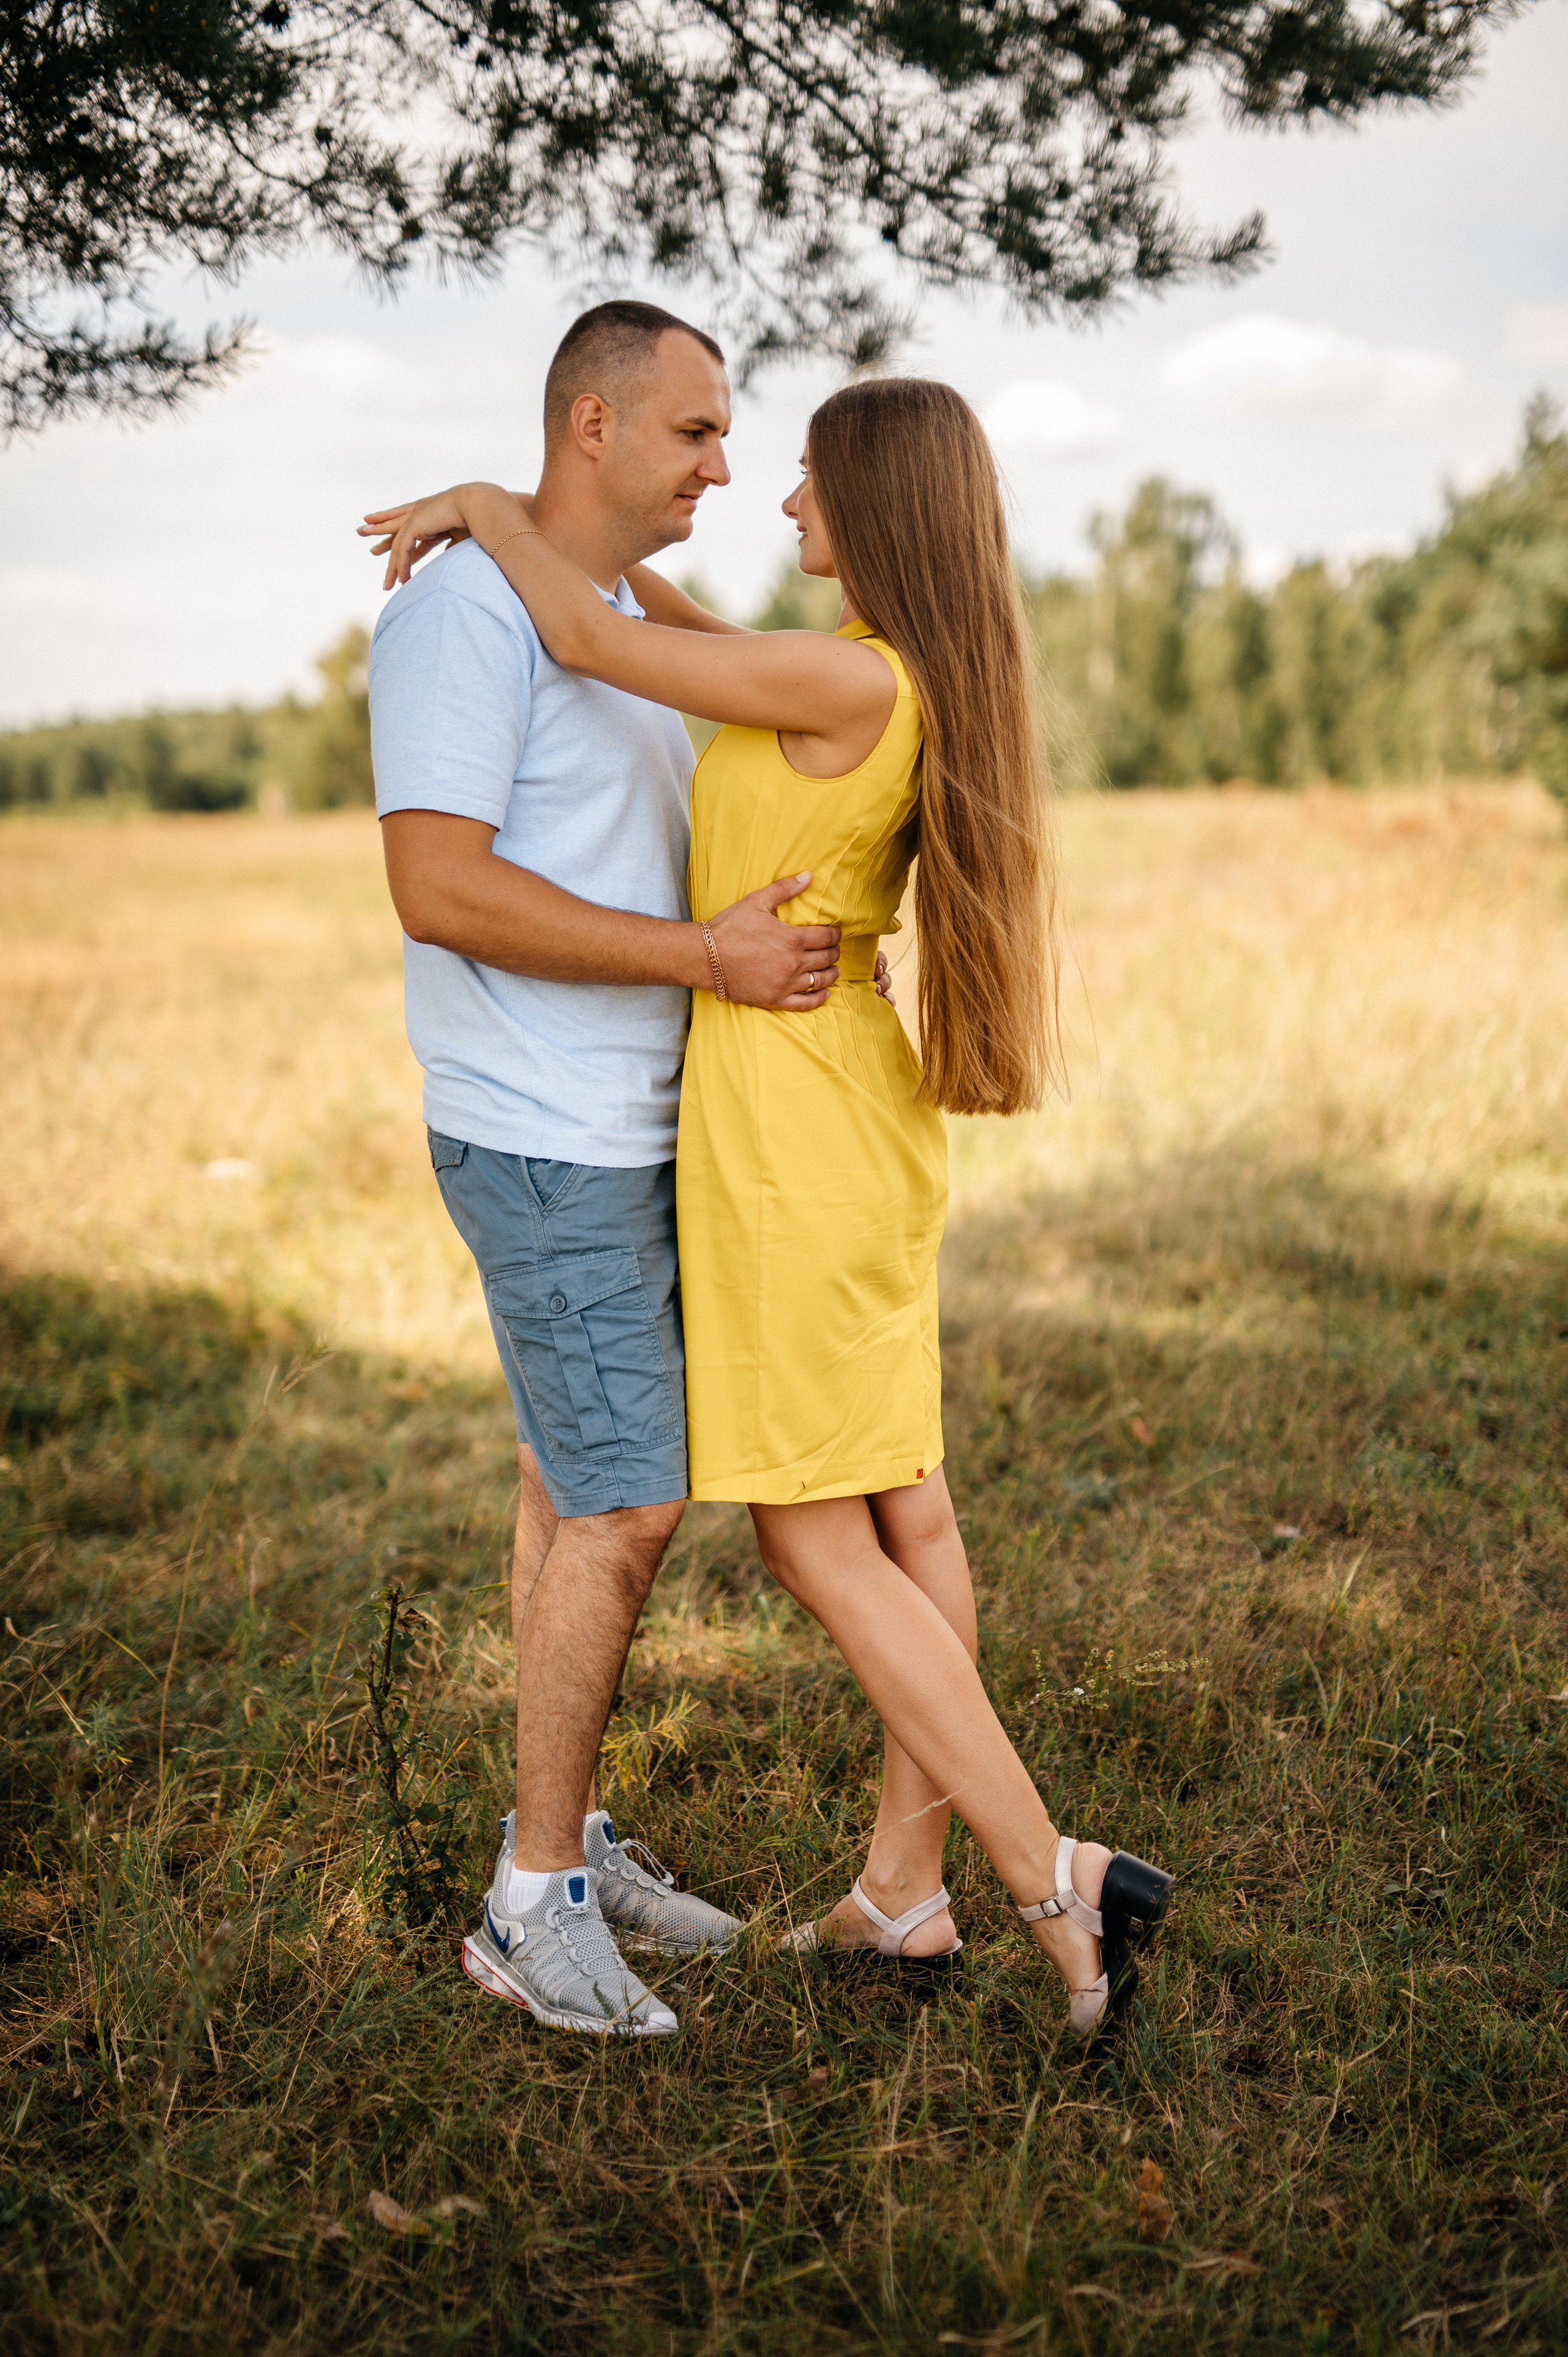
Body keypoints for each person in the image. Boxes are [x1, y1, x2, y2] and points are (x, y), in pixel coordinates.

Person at [369, 373, 1175, 2038]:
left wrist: (489, 503)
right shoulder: (876, 670)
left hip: (795, 1132)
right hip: (838, 1116)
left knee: (818, 1538)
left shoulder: (833, 674)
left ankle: (1053, 1878)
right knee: (904, 1516)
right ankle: (904, 1888)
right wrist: (551, 536)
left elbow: (598, 647)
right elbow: (659, 619)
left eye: (805, 481)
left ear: (873, 510)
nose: (776, 500)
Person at [365, 301, 894, 2039]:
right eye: (693, 432)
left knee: (560, 1482)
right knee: (625, 1506)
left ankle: (569, 1833)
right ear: (591, 425)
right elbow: (438, 891)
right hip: (546, 1129)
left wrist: (495, 513)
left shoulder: (590, 618)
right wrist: (701, 961)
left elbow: (638, 650)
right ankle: (532, 1906)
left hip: (636, 1127)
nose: (726, 467)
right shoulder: (465, 619)